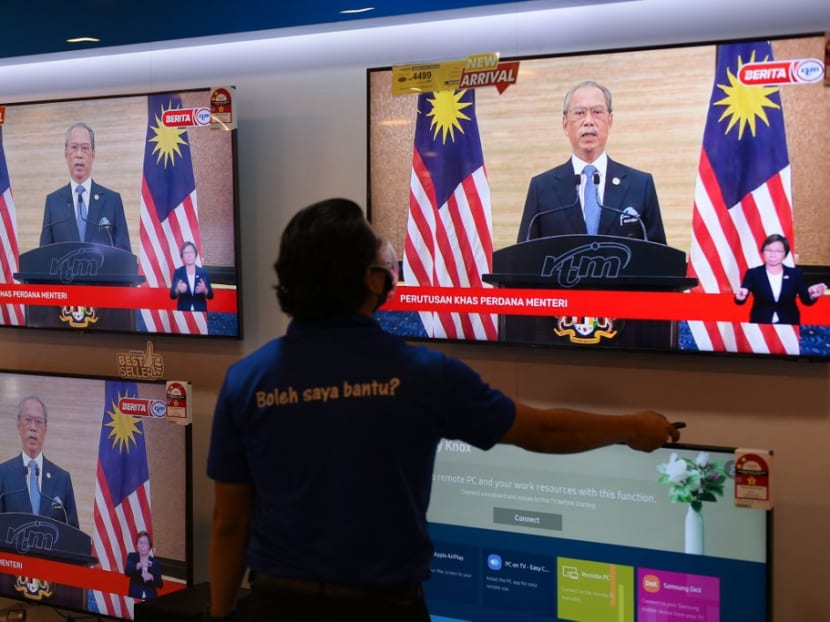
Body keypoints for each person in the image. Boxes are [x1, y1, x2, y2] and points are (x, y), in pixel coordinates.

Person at [206, 198, 680, 622]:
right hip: (383, 608)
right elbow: (543, 430)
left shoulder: (246, 382)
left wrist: (220, 613)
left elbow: (229, 523)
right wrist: (631, 427)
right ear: (373, 280)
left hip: (275, 605)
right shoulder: (421, 374)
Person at [517, 80, 667, 244]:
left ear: (610, 121)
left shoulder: (640, 185)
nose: (588, 121)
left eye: (597, 112)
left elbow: (658, 259)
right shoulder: (541, 188)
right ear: (565, 123)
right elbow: (523, 259)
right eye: (579, 113)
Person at [39, 122, 131, 251]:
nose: (79, 154)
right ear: (66, 153)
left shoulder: (112, 201)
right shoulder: (53, 202)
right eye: (74, 147)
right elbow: (43, 254)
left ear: (93, 154)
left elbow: (124, 254)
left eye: (85, 148)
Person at [0, 396, 78, 527]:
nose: (33, 427)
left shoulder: (62, 479)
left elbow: (73, 532)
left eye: (39, 421)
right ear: (18, 425)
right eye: (28, 420)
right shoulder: (2, 474)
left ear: (45, 429)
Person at [734, 233, 826, 324]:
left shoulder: (795, 274)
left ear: (785, 254)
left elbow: (806, 301)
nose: (772, 254)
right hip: (761, 325)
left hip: (789, 324)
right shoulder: (753, 273)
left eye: (778, 251)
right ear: (763, 252)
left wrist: (812, 295)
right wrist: (740, 297)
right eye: (768, 250)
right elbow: (740, 300)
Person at [170, 241, 214, 311]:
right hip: (183, 313)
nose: (189, 255)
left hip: (200, 312)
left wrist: (205, 290)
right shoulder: (178, 272)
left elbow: (211, 296)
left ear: (195, 254)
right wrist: (177, 289)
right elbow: (172, 296)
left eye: (191, 252)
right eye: (186, 253)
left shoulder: (203, 272)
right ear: (182, 256)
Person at [125, 530, 163, 600]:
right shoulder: (132, 556)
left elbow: (160, 584)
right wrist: (139, 565)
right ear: (137, 545)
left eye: (145, 543)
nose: (142, 546)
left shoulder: (154, 562)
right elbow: (127, 571)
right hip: (135, 597)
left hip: (150, 597)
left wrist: (152, 577)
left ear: (149, 546)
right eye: (140, 543)